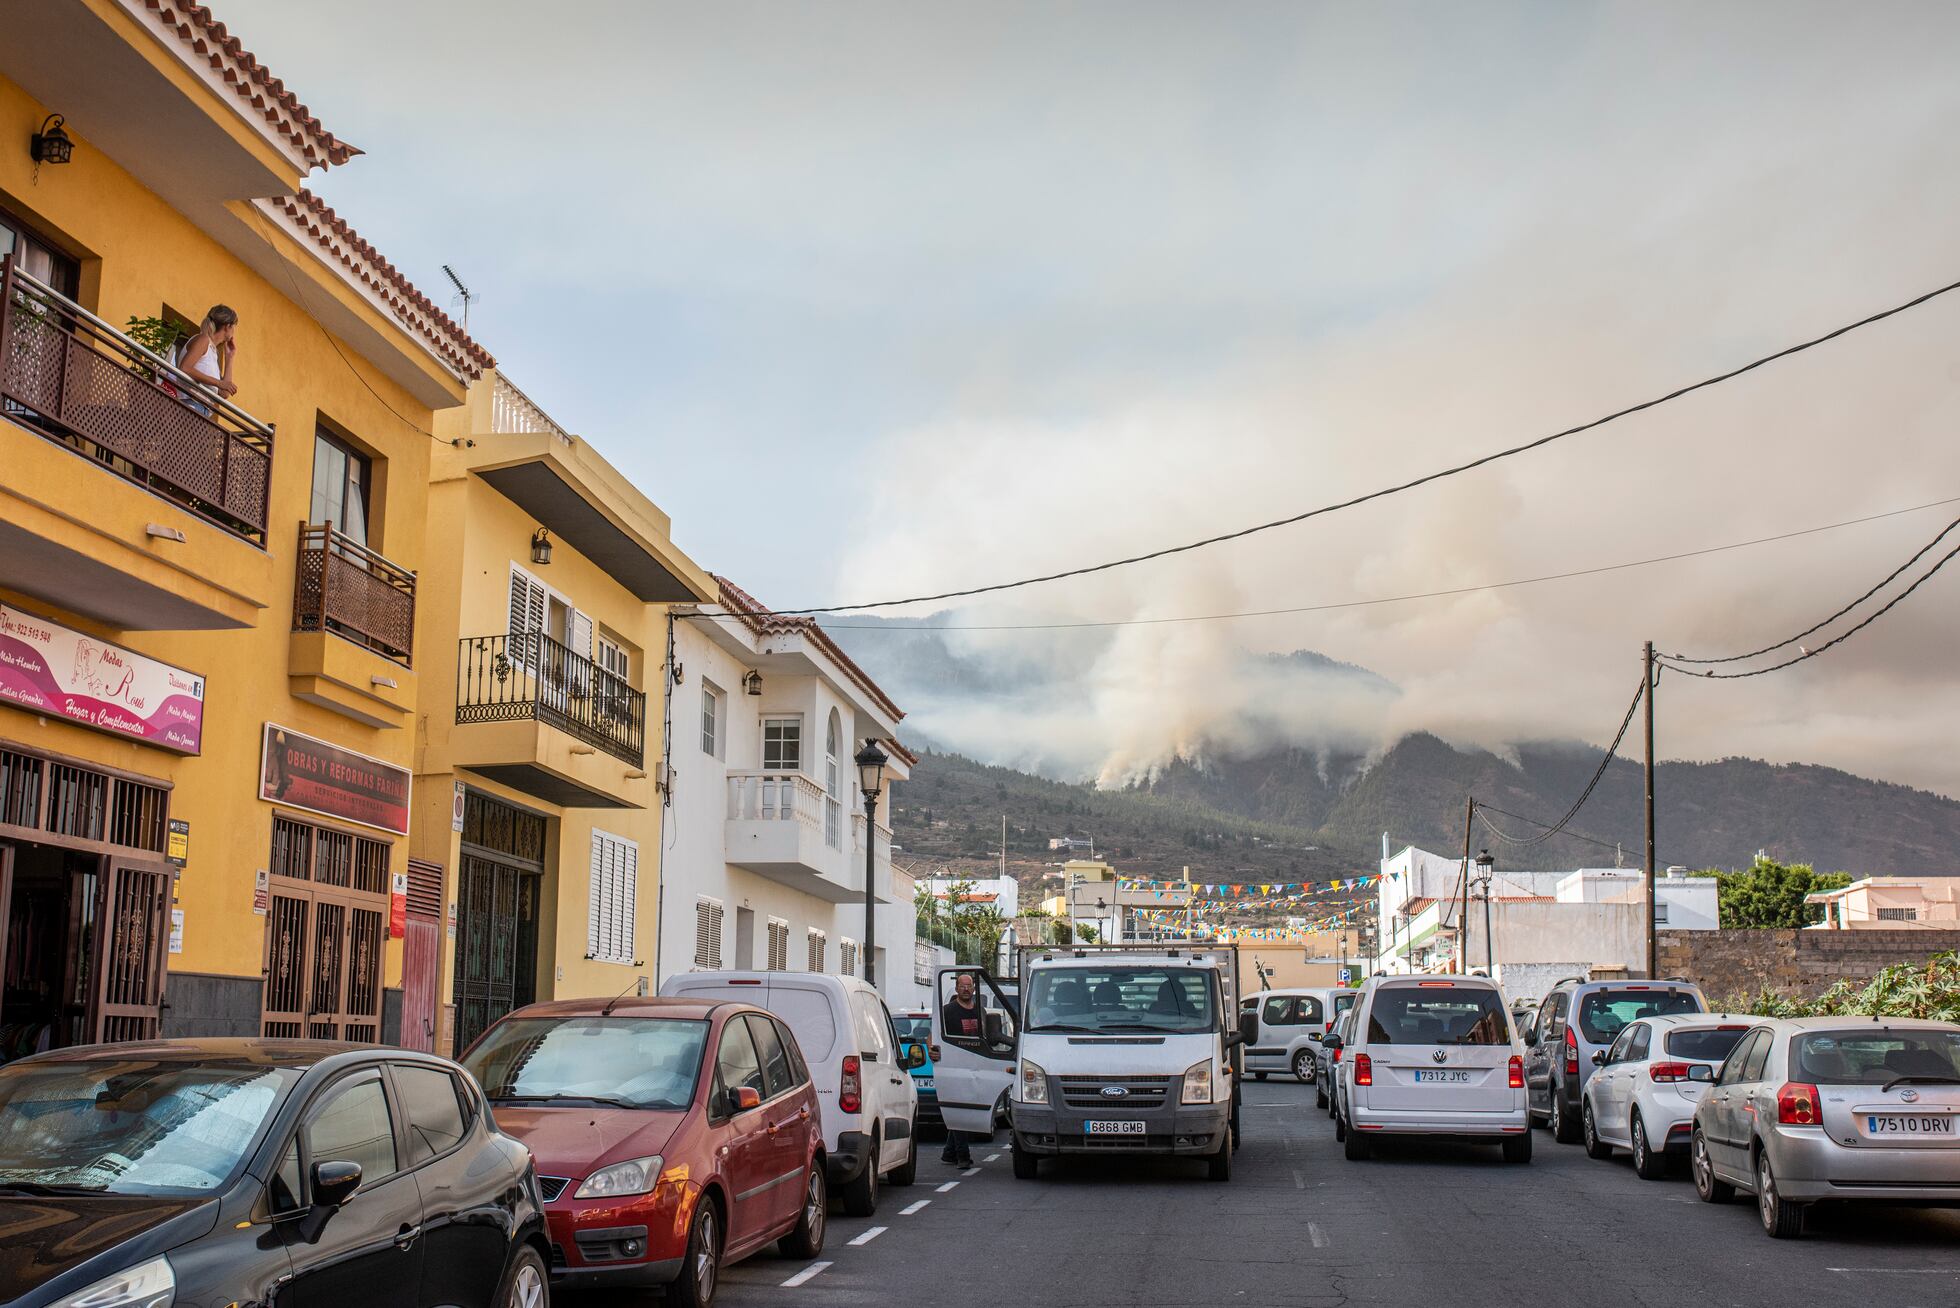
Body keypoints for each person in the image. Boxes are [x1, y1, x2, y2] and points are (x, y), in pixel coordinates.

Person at [939, 973, 985, 1166]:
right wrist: (934, 1051)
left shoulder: (980, 1011)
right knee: (961, 1109)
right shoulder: (947, 1011)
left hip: (977, 1067)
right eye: (962, 986)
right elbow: (933, 1035)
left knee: (962, 1110)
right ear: (956, 988)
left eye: (969, 986)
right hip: (954, 1067)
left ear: (974, 988)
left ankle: (949, 1153)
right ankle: (962, 1156)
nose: (966, 989)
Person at [175, 305, 239, 415]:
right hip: (191, 405)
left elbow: (224, 393)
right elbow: (185, 368)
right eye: (234, 326)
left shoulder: (213, 353)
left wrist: (229, 358)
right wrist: (219, 383)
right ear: (228, 326)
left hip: (202, 411)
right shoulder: (203, 339)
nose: (234, 331)